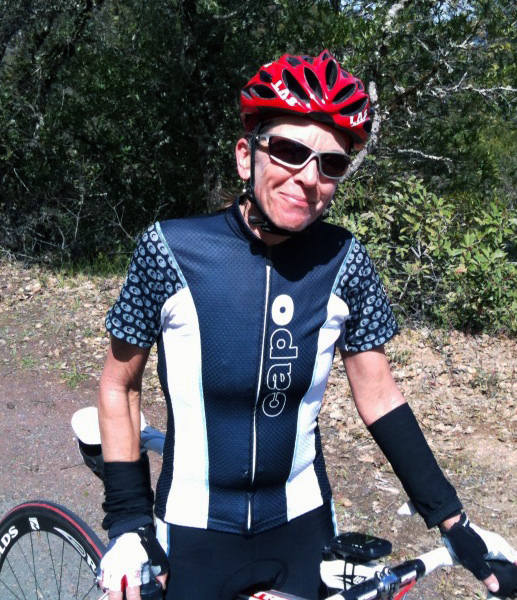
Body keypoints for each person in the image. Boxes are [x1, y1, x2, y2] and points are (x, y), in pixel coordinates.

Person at [97, 50, 517, 600]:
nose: (308, 178)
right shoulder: (169, 250)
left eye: (331, 164)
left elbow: (380, 397)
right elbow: (119, 385)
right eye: (291, 151)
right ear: (246, 155)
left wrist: (455, 523)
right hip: (193, 533)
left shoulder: (345, 261)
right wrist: (128, 525)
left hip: (302, 530)